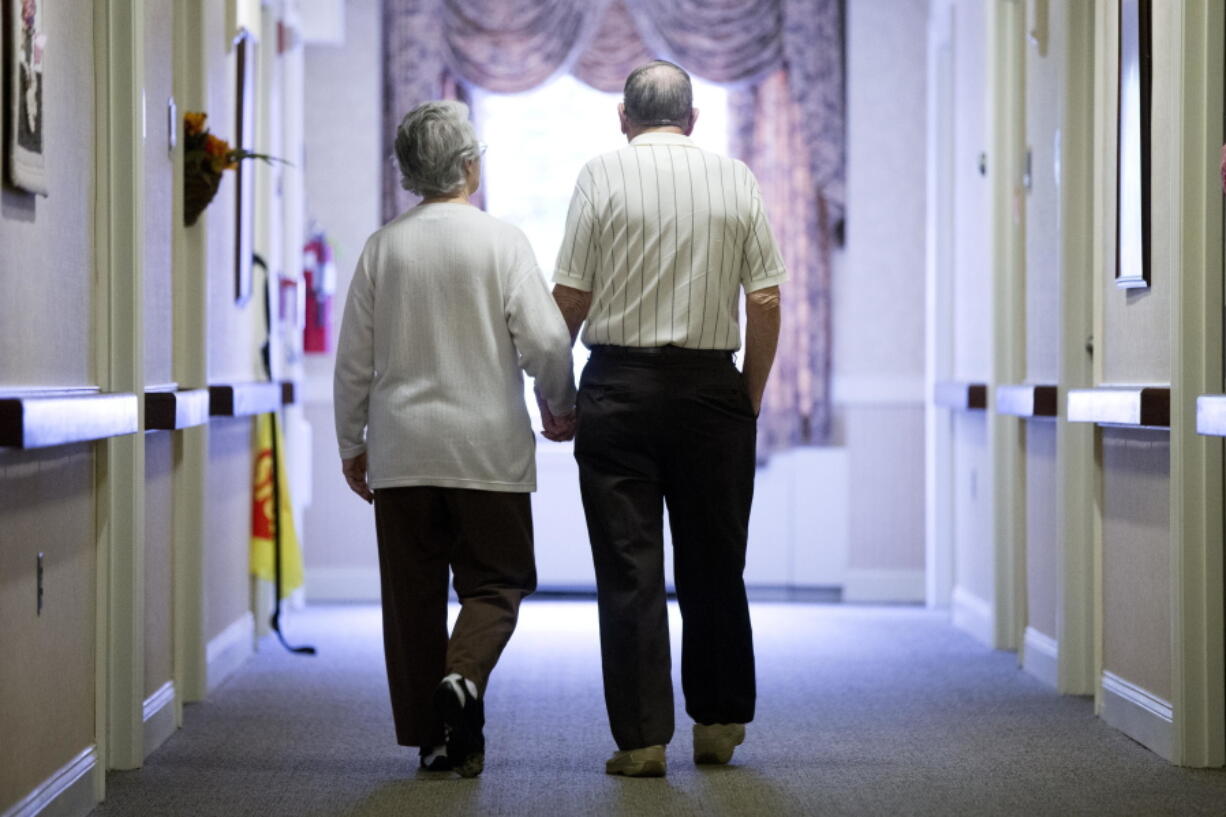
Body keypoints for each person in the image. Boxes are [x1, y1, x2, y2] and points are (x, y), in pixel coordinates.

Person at [543, 60, 786, 777]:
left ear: (622, 117)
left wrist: (557, 396)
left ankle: (643, 739)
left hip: (618, 387)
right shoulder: (735, 178)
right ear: (693, 118)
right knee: (715, 563)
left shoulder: (600, 175)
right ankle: (717, 723)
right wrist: (749, 395)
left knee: (629, 570)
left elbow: (569, 300)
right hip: (712, 391)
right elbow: (766, 301)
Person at [334, 100, 577, 778]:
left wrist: (351, 442)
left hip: (404, 451)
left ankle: (436, 737)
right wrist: (559, 404)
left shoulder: (383, 247)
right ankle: (464, 676)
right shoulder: (501, 241)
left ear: (411, 172)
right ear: (470, 165)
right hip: (486, 451)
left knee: (411, 599)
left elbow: (353, 359)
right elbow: (548, 340)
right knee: (498, 582)